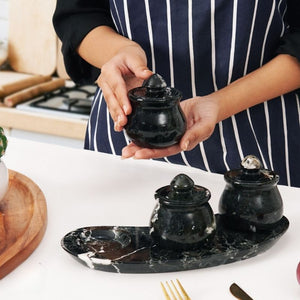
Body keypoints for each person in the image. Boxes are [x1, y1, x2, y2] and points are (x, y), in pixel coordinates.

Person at [53, 0, 300, 187]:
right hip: (123, 143)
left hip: (259, 144)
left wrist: (218, 103)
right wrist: (120, 51)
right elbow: (78, 14)